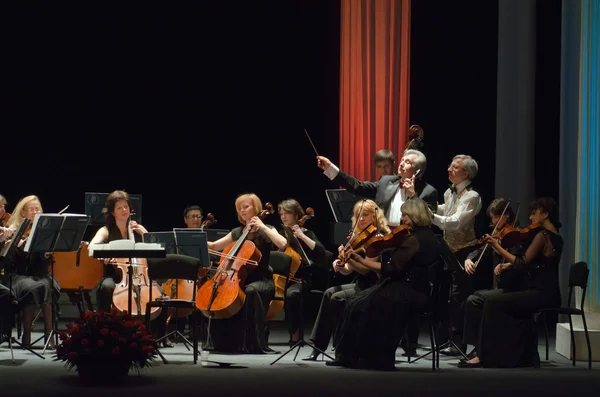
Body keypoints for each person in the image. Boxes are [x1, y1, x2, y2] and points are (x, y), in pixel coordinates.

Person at [328, 198, 442, 370]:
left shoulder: (413, 240)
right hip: (418, 289)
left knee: (360, 304)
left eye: (405, 215)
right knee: (357, 302)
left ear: (415, 215)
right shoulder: (431, 237)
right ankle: (356, 356)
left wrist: (360, 259)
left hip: (408, 291)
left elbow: (392, 269)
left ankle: (366, 357)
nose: (402, 219)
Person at [459, 197, 563, 368]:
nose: (530, 218)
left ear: (545, 214)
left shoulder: (543, 236)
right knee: (479, 299)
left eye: (534, 213)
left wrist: (497, 246)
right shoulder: (555, 236)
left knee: (492, 302)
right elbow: (534, 262)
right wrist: (506, 264)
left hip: (541, 292)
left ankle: (489, 355)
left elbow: (522, 262)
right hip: (541, 290)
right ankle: (485, 350)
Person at [303, 199, 389, 361]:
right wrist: (340, 264)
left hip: (375, 287)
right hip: (361, 285)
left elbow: (365, 269)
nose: (361, 219)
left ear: (374, 216)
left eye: (365, 215)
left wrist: (349, 259)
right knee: (329, 293)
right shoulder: (359, 237)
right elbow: (347, 271)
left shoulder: (379, 238)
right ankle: (317, 347)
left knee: (337, 297)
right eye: (358, 216)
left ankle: (342, 348)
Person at [204, 193, 287, 354]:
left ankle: (250, 343)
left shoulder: (267, 230)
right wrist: (195, 240)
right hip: (238, 279)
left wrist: (262, 226)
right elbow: (214, 246)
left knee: (250, 291)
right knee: (218, 294)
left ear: (256, 208)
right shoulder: (237, 232)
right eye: (239, 208)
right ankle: (224, 342)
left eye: (246, 207)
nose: (242, 210)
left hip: (262, 281)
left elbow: (282, 244)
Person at [431, 154, 482, 355]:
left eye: (454, 167)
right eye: (450, 166)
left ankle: (459, 342)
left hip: (464, 251)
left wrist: (430, 216)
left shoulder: (472, 196)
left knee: (458, 298)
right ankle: (447, 340)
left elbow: (455, 221)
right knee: (444, 297)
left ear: (465, 173)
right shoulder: (448, 192)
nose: (449, 169)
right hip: (447, 251)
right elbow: (445, 211)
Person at [317, 149, 438, 227]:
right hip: (384, 239)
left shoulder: (429, 191)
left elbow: (427, 222)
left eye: (407, 162)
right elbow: (357, 186)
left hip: (410, 244)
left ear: (418, 171)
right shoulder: (386, 181)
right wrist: (330, 168)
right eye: (402, 160)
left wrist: (413, 195)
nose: (401, 164)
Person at [3, 195, 60, 347]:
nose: (35, 212)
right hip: (19, 276)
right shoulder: (14, 230)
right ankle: (28, 333)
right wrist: (16, 245)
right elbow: (10, 263)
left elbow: (42, 264)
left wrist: (47, 253)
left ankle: (49, 333)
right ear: (23, 212)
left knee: (49, 284)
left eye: (38, 209)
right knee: (34, 287)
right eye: (31, 209)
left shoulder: (44, 232)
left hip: (40, 275)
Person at [276, 199, 327, 345]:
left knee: (292, 295)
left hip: (302, 278)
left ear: (297, 215)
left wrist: (301, 236)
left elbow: (321, 251)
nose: (283, 217)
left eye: (287, 213)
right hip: (283, 277)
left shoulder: (307, 233)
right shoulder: (281, 234)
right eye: (281, 214)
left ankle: (295, 336)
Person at [89, 190, 149, 312]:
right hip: (115, 276)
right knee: (106, 287)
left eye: (126, 206)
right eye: (119, 208)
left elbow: (155, 249)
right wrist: (104, 253)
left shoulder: (138, 230)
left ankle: (151, 329)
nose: (124, 210)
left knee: (160, 293)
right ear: (112, 212)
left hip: (140, 276)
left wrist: (146, 235)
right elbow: (92, 247)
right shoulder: (106, 230)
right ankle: (104, 325)